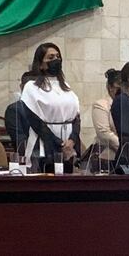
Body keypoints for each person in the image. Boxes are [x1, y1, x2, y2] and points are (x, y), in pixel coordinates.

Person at [19, 43, 81, 172]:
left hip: (69, 146)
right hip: (45, 145)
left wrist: (72, 140)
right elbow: (35, 121)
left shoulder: (66, 86)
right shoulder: (31, 87)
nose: (56, 60)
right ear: (41, 64)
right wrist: (59, 144)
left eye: (58, 56)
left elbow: (76, 117)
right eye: (51, 57)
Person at [91, 68, 121, 166]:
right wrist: (123, 148)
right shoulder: (101, 105)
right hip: (107, 157)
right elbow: (104, 133)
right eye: (118, 88)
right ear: (110, 87)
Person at [3, 71, 33, 153]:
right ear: (22, 87)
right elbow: (21, 143)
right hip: (29, 156)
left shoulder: (47, 108)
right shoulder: (14, 110)